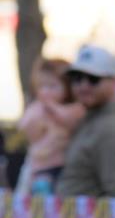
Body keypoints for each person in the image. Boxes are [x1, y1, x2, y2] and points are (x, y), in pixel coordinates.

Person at [55, 44, 115, 199]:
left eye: (94, 79)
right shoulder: (90, 120)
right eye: (77, 78)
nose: (83, 85)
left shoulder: (113, 128)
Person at [15, 57, 85, 195]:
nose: (46, 91)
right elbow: (25, 126)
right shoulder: (37, 108)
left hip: (62, 164)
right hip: (39, 164)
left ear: (67, 87)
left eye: (52, 86)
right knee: (37, 191)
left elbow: (70, 120)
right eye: (42, 87)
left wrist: (52, 107)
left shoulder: (74, 108)